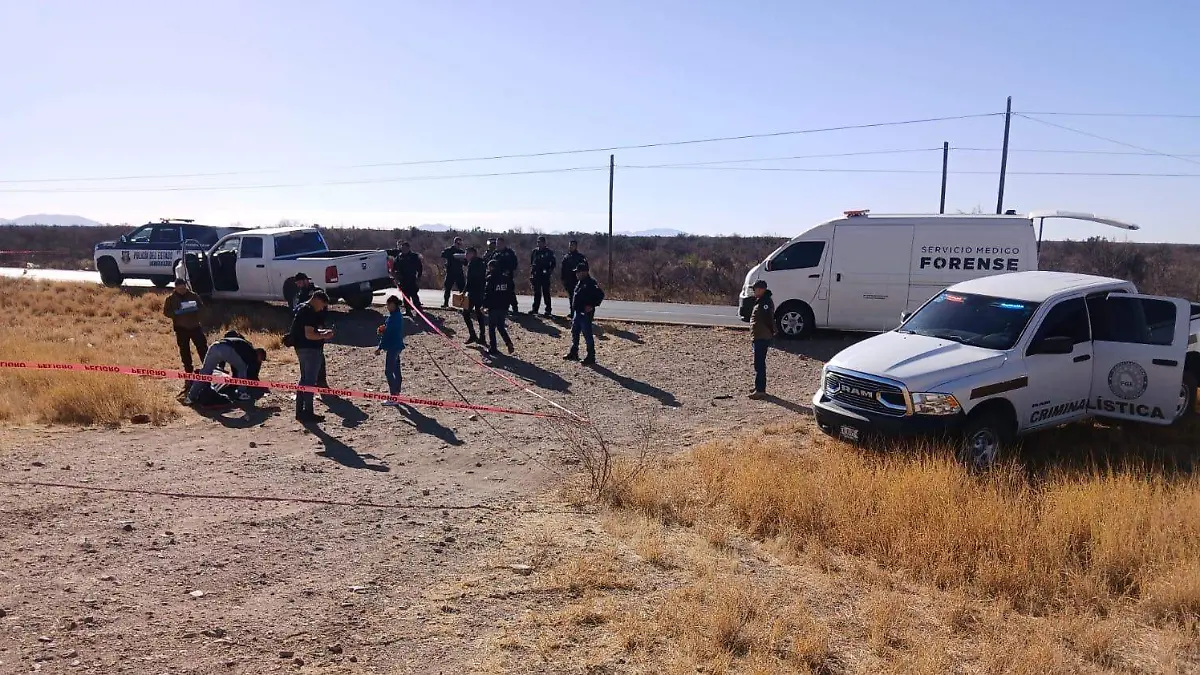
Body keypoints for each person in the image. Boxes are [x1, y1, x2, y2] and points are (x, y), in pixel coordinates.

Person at [290, 289, 336, 422]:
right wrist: (324, 335)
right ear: (318, 300)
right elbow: (309, 334)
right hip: (310, 349)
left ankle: (300, 411)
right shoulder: (308, 311)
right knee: (309, 381)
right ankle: (308, 412)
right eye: (322, 305)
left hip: (302, 348)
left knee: (304, 379)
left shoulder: (302, 308)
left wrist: (322, 331)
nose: (322, 309)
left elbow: (310, 330)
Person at [184, 332, 267, 406]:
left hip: (214, 347)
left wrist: (221, 367)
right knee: (242, 368)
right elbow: (240, 366)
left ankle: (190, 397)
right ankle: (242, 393)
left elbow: (230, 358)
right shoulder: (250, 350)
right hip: (225, 349)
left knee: (204, 373)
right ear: (259, 353)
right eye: (261, 359)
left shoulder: (242, 344)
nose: (260, 361)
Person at [163, 279, 207, 379]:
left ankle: (207, 369)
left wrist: (195, 309)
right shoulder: (170, 299)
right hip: (181, 328)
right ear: (175, 288)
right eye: (180, 289)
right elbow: (166, 312)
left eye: (183, 288)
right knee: (184, 350)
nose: (182, 290)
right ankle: (188, 371)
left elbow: (202, 308)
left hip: (195, 326)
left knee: (202, 347)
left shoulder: (193, 296)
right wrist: (176, 313)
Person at [564, 262, 604, 365]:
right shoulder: (580, 282)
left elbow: (600, 295)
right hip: (577, 312)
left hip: (585, 314)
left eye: (579, 272)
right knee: (575, 332)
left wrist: (592, 305)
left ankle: (591, 356)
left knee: (587, 335)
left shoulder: (591, 283)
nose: (577, 274)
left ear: (585, 272)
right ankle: (574, 352)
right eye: (576, 272)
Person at [375, 296, 406, 406]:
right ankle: (397, 393)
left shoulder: (394, 318)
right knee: (396, 371)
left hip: (393, 347)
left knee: (389, 371)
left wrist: (379, 347)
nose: (387, 307)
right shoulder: (396, 316)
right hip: (397, 346)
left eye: (388, 305)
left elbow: (388, 334)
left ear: (393, 305)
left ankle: (393, 396)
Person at [748, 280, 775, 400]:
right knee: (758, 363)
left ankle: (760, 390)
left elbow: (768, 319)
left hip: (762, 336)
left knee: (759, 364)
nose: (754, 291)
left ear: (761, 289)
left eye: (755, 289)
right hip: (758, 335)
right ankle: (758, 387)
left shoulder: (765, 303)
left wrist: (771, 332)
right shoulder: (761, 301)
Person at [483, 259, 515, 356]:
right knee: (500, 326)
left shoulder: (490, 278)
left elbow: (487, 293)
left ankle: (493, 348)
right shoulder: (506, 278)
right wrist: (512, 305)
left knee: (492, 327)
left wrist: (484, 305)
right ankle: (508, 342)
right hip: (504, 306)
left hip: (494, 306)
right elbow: (511, 293)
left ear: (492, 267)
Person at [461, 246, 487, 345]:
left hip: (474, 292)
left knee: (466, 313)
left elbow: (470, 280)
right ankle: (481, 337)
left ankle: (473, 335)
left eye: (467, 253)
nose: (466, 256)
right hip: (480, 291)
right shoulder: (481, 262)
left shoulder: (473, 263)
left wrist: (463, 291)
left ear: (473, 254)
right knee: (479, 314)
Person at [392, 241, 423, 317]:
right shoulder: (399, 257)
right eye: (402, 248)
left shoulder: (414, 256)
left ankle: (418, 311)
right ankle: (408, 311)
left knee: (414, 296)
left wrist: (419, 277)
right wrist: (395, 278)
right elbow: (394, 268)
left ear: (409, 248)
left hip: (412, 279)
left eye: (405, 248)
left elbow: (420, 267)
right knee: (405, 297)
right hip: (402, 280)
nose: (404, 249)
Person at [529, 236, 557, 317]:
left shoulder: (549, 252)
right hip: (536, 275)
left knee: (546, 293)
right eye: (538, 242)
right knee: (537, 293)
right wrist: (532, 273)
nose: (539, 243)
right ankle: (535, 309)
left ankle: (548, 310)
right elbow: (532, 263)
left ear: (544, 243)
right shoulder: (534, 251)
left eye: (541, 242)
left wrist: (549, 271)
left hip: (545, 275)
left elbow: (553, 263)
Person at [561, 240, 587, 318]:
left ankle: (580, 313)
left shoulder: (580, 257)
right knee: (571, 297)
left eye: (572, 245)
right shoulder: (566, 257)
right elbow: (563, 269)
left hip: (578, 280)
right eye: (570, 245)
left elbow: (585, 268)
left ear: (576, 246)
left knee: (579, 297)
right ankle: (572, 313)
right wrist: (563, 278)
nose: (571, 246)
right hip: (568, 281)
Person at [494, 237, 520, 315]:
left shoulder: (509, 253)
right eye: (497, 244)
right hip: (497, 277)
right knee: (499, 294)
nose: (498, 245)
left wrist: (508, 271)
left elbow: (514, 264)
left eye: (499, 244)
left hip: (507, 277)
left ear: (504, 244)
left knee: (510, 293)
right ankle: (503, 308)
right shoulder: (495, 253)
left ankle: (515, 309)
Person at [440, 236, 466, 308]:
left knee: (462, 289)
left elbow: (466, 262)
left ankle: (463, 304)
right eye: (458, 243)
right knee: (447, 288)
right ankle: (445, 303)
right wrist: (452, 256)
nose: (459, 245)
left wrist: (462, 260)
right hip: (450, 272)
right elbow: (443, 254)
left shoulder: (461, 252)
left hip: (459, 272)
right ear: (454, 243)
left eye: (460, 244)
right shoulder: (449, 250)